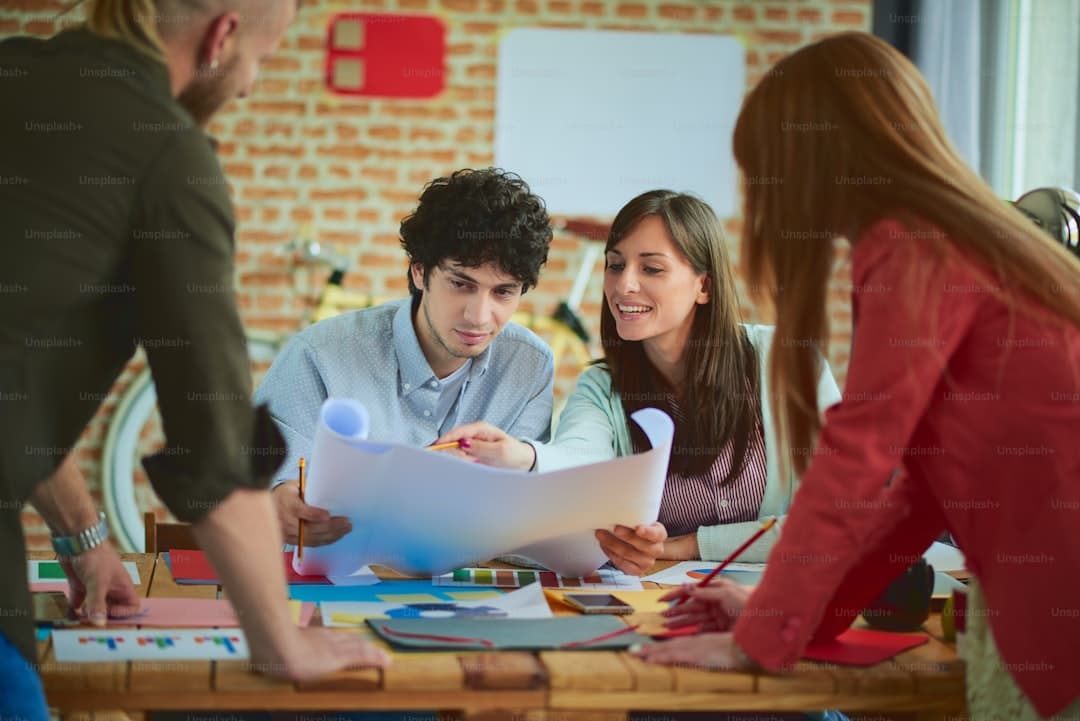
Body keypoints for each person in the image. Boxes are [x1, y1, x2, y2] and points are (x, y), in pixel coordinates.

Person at [632, 32, 1080, 721]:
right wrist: (790, 617)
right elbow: (915, 495)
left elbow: (857, 456)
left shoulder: (912, 247)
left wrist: (765, 635)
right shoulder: (959, 238)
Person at [0, 1, 387, 715]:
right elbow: (214, 440)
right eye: (260, 64)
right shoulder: (167, 153)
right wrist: (282, 642)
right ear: (222, 35)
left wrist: (84, 538)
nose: (247, 88)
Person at [437, 190, 841, 575]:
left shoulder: (786, 363)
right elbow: (579, 462)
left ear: (705, 285)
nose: (623, 285)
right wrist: (521, 456)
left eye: (651, 268)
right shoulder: (603, 386)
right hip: (659, 603)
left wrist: (684, 545)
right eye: (615, 265)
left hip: (783, 600)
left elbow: (835, 517)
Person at [255, 168, 556, 548]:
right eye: (461, 284)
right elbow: (250, 481)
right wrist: (276, 501)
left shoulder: (529, 366)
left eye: (503, 292)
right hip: (328, 586)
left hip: (467, 587)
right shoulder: (318, 356)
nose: (479, 316)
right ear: (419, 272)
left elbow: (528, 504)